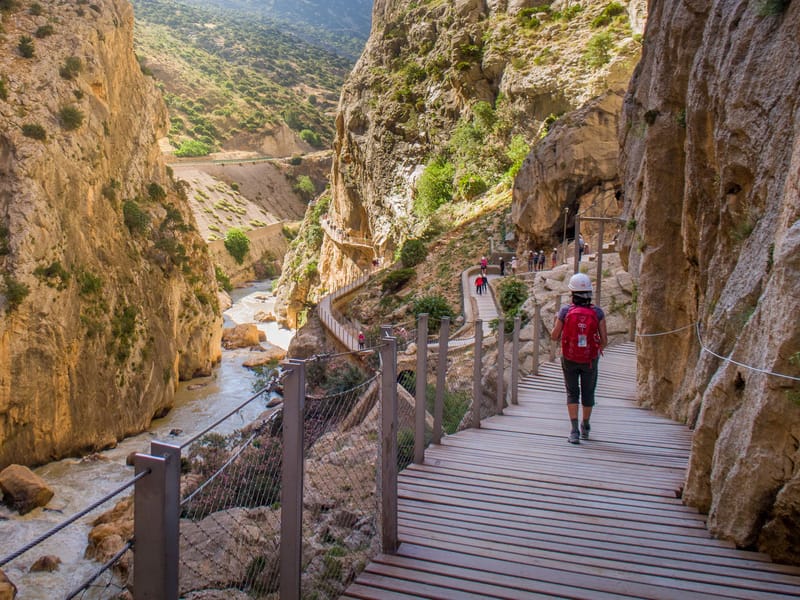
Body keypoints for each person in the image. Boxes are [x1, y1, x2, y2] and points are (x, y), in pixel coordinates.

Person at [550, 273, 608, 444]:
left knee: (572, 392)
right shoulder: (597, 312)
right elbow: (604, 340)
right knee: (588, 392)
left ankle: (574, 431)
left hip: (569, 357)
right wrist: (594, 350)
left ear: (572, 293)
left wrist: (556, 321)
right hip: (590, 359)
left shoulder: (565, 311)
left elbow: (554, 336)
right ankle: (586, 425)